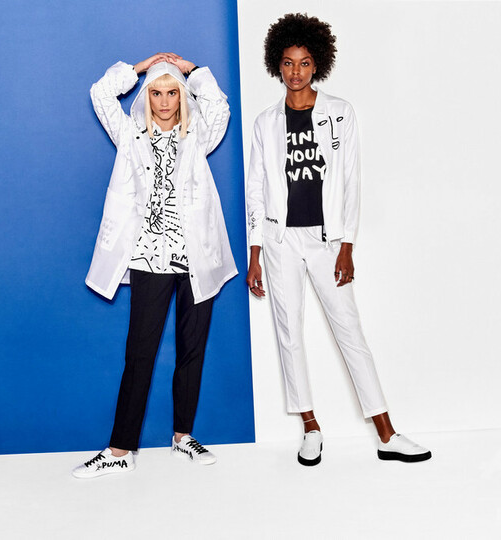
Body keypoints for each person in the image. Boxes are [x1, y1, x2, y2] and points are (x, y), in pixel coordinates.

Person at [245, 14, 431, 466]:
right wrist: (255, 252)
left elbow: (350, 181)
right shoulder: (265, 122)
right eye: (288, 63)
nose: (296, 72)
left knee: (349, 331)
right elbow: (255, 189)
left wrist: (347, 245)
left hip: (327, 241)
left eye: (304, 63)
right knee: (289, 334)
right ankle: (310, 427)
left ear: (317, 64)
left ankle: (386, 433)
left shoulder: (340, 113)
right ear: (277, 65)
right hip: (280, 240)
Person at [73, 53, 237, 478]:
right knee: (140, 353)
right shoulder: (130, 135)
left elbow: (219, 106)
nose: (164, 102)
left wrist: (192, 70)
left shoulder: (198, 134)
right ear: (146, 97)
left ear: (182, 97)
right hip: (150, 258)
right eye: (156, 93)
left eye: (171, 93)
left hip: (196, 257)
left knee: (191, 349)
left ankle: (183, 437)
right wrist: (141, 68)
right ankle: (120, 449)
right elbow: (101, 93)